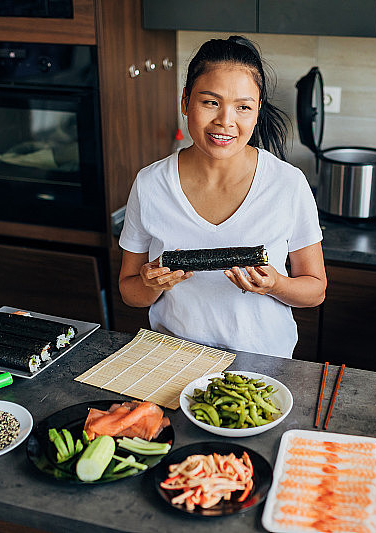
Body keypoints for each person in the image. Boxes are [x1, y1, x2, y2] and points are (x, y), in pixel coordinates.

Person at [118, 36, 326, 358]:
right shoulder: (150, 184)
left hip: (263, 364)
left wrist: (275, 284)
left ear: (257, 111)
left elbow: (315, 290)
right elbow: (129, 292)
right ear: (185, 101)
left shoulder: (288, 184)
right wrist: (150, 284)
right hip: (175, 359)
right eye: (210, 102)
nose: (225, 121)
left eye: (243, 107)